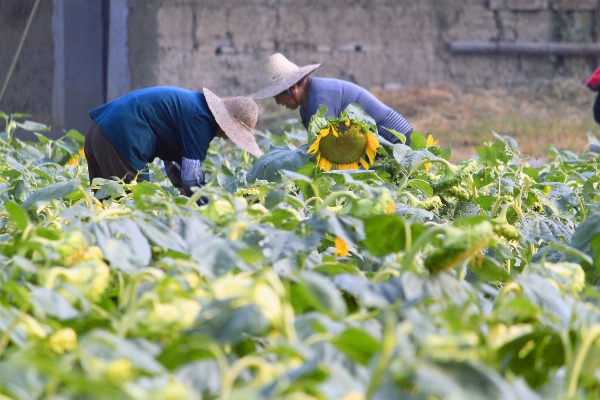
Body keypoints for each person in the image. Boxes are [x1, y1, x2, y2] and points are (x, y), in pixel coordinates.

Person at [84, 86, 261, 198]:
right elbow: (192, 179)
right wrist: (210, 208)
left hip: (99, 129)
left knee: (104, 203)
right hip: (120, 137)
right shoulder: (201, 120)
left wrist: (181, 190)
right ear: (230, 126)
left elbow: (174, 163)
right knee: (137, 207)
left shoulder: (195, 106)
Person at [253, 53, 413, 145]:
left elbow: (326, 148)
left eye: (278, 96)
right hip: (378, 140)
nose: (278, 103)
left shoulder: (319, 99)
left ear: (292, 87)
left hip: (395, 136)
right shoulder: (308, 101)